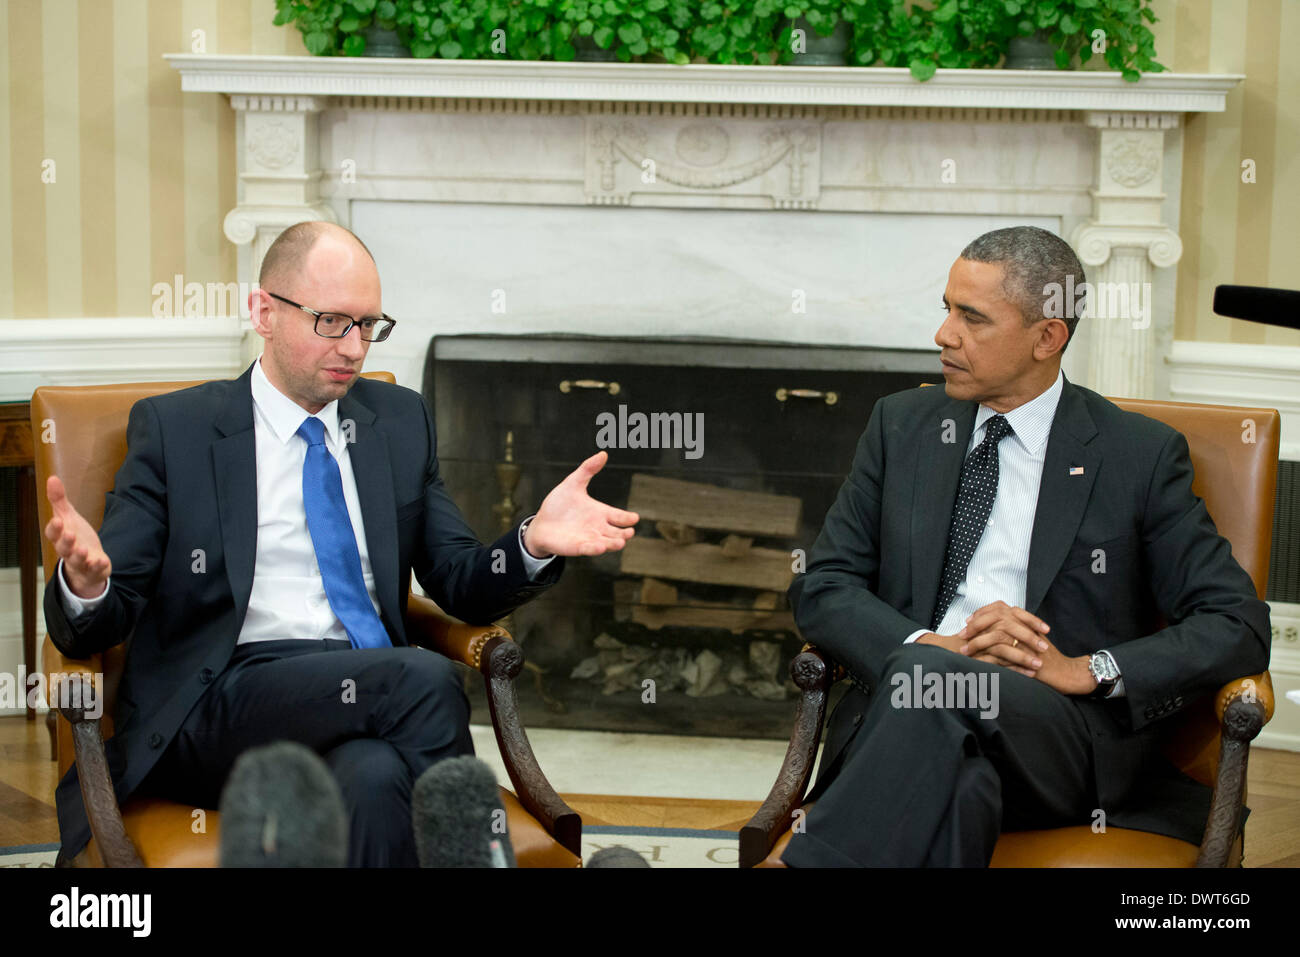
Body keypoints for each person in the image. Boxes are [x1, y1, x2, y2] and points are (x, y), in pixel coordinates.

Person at [43, 221, 639, 867]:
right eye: (332, 321)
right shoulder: (177, 429)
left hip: (366, 702)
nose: (354, 347)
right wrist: (86, 582)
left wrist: (532, 540)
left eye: (369, 324)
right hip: (220, 700)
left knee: (376, 776)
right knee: (419, 680)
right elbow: (100, 616)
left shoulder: (396, 423)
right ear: (263, 311)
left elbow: (460, 581)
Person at [781, 225, 1270, 867]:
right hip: (908, 722)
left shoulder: (1135, 455)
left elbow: (1236, 623)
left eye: (972, 318)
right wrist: (931, 648)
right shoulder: (901, 426)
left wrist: (1085, 669)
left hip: (1059, 739)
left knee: (934, 688)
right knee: (960, 783)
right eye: (946, 310)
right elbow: (823, 585)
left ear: (1048, 337)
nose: (943, 335)